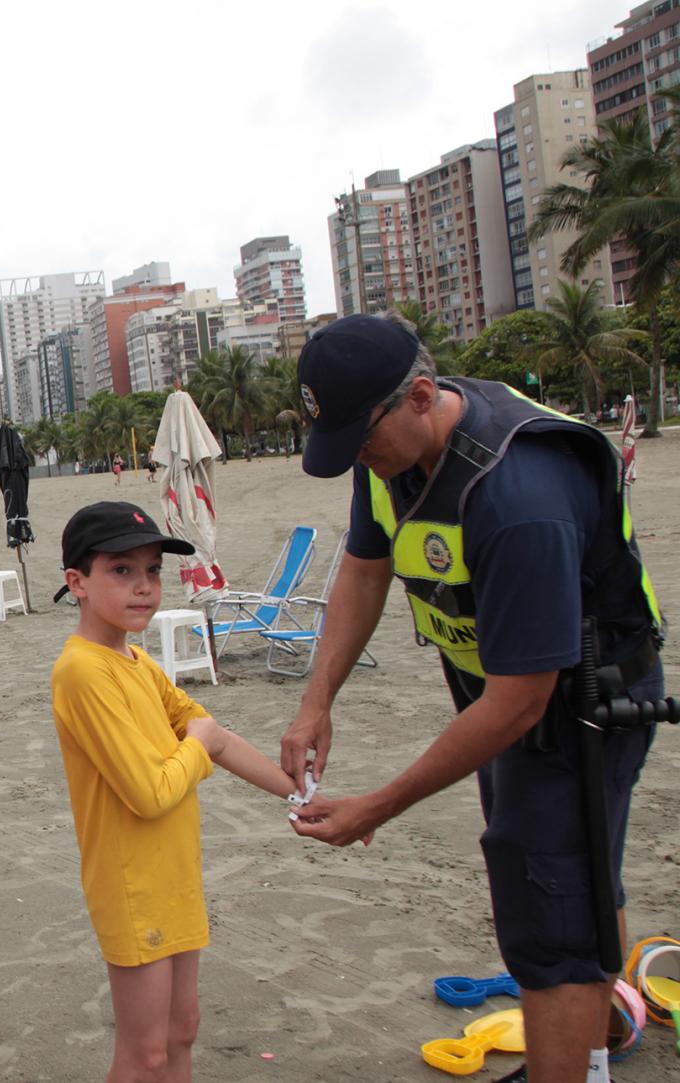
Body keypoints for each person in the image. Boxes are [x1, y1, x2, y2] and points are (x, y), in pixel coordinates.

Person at [281, 313, 665, 1083]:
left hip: (580, 707)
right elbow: (364, 567)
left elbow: (522, 703)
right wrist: (316, 699)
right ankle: (602, 1031)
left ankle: (573, 1059)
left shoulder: (518, 495)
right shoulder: (388, 446)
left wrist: (378, 805)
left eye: (363, 440)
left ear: (421, 396)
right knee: (571, 872)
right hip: (505, 690)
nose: (361, 458)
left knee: (546, 900)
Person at [50, 501, 304, 1083]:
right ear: (77, 582)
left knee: (180, 1030)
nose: (144, 588)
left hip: (173, 875)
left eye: (153, 571)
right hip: (131, 883)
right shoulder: (83, 671)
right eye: (122, 571)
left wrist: (297, 794)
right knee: (146, 1054)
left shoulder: (136, 661)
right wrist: (199, 743)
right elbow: (150, 791)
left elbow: (220, 739)